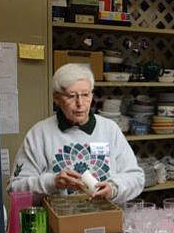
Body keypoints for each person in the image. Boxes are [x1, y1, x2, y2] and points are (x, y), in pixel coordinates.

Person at [8, 63, 144, 205]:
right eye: (72, 96)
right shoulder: (40, 134)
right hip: (59, 222)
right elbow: (15, 189)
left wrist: (114, 188)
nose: (80, 103)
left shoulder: (109, 129)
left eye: (85, 95)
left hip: (105, 220)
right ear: (56, 98)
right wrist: (52, 182)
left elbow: (136, 178)